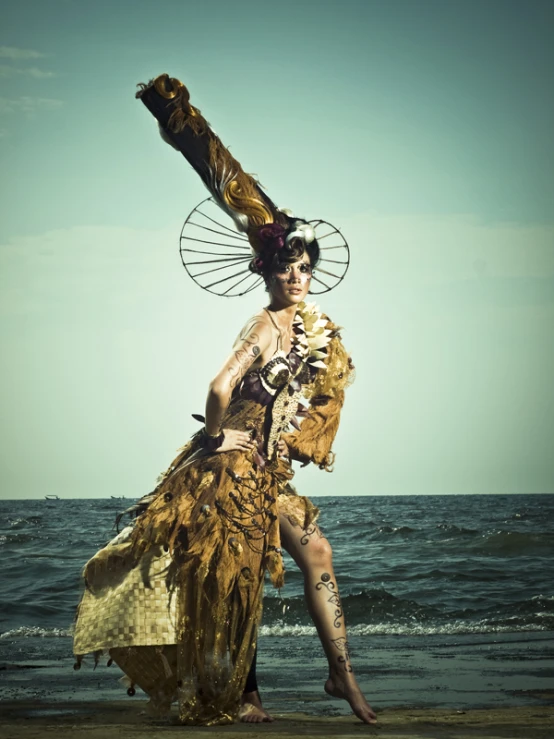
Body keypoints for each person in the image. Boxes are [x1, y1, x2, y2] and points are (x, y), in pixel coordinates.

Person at [72, 74, 376, 727]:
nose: (297, 276)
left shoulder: (310, 325)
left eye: (303, 267)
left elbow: (230, 179)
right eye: (286, 266)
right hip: (228, 468)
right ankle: (247, 694)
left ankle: (339, 676)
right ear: (269, 269)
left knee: (314, 552)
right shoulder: (264, 323)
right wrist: (217, 438)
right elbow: (216, 386)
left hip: (264, 470)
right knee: (234, 581)